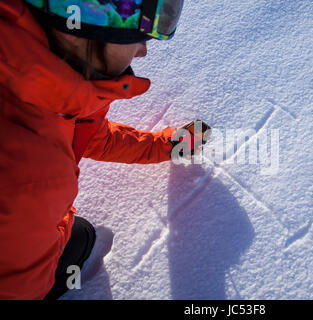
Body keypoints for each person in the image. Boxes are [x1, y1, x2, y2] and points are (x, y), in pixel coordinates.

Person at [0, 0, 205, 300]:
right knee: (80, 237)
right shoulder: (34, 180)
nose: (143, 50)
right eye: (139, 33)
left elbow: (91, 136)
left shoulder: (47, 88)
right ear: (79, 26)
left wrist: (167, 146)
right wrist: (56, 219)